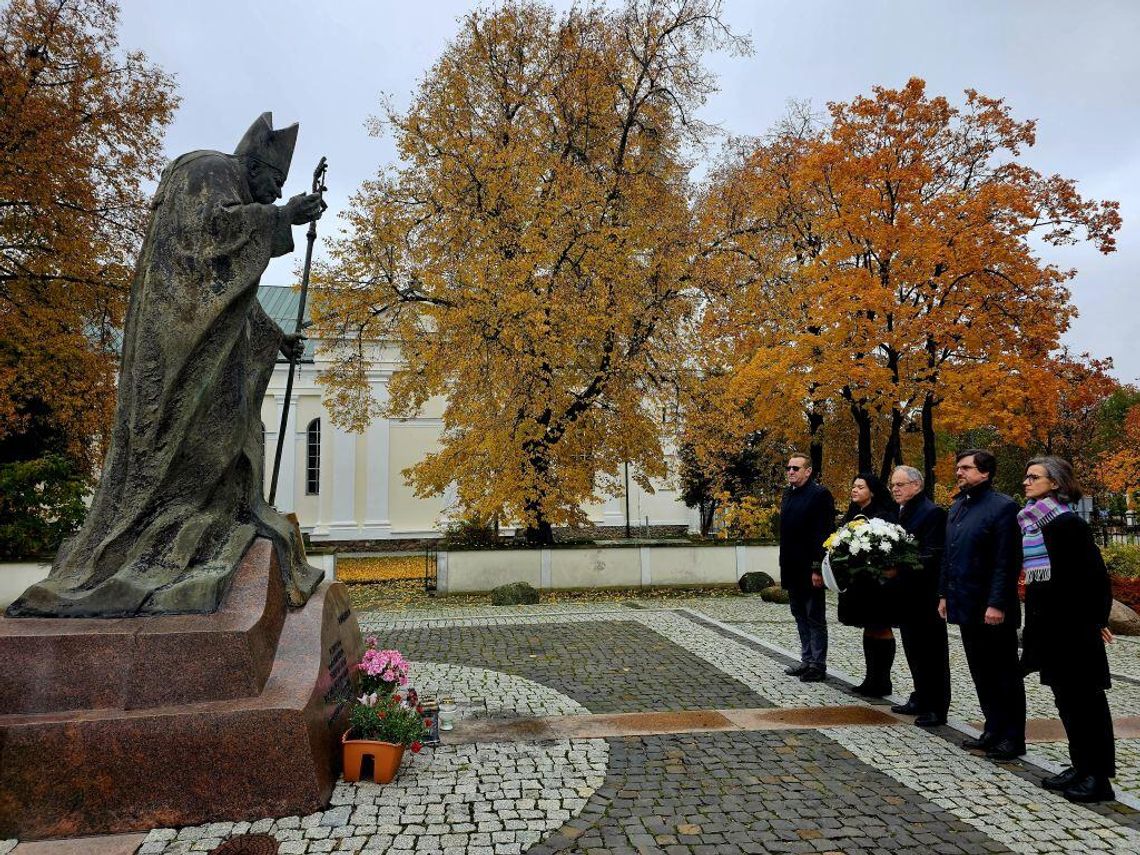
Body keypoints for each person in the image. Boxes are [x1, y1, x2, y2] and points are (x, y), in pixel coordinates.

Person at [7, 113, 327, 618]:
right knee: (187, 434)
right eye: (275, 181)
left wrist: (273, 336)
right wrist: (282, 216)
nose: (272, 192)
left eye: (279, 188)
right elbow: (209, 242)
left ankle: (206, 518)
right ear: (254, 163)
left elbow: (224, 291)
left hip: (200, 343)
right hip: (176, 344)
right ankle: (159, 535)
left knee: (227, 432)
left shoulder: (232, 186)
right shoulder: (206, 171)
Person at [1019, 456, 1116, 803]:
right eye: (1026, 477)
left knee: (1087, 703)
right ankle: (1081, 766)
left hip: (1075, 629)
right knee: (1066, 701)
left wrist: (1096, 621)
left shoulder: (1068, 524)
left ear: (1055, 483)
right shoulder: (1032, 525)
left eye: (1035, 477)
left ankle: (1099, 777)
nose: (1027, 482)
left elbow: (1094, 577)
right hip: (1050, 628)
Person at [938, 449, 1026, 760]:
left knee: (1003, 674)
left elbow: (1007, 560)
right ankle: (992, 730)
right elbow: (949, 555)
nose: (959, 472)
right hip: (965, 602)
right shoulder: (959, 505)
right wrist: (944, 594)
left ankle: (1012, 737)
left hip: (992, 608)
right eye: (957, 467)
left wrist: (998, 603)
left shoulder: (1003, 507)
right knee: (981, 672)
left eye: (965, 468)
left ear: (985, 473)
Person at [888, 466, 950, 727]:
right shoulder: (900, 512)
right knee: (913, 649)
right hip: (906, 593)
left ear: (917, 485)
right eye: (893, 485)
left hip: (925, 594)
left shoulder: (932, 512)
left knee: (932, 652)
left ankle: (937, 705)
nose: (895, 489)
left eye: (900, 484)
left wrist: (898, 563)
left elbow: (933, 553)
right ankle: (920, 695)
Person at [835, 473, 899, 697]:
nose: (854, 490)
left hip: (877, 583)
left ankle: (883, 680)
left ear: (872, 491)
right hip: (858, 581)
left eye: (860, 487)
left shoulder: (883, 516)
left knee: (880, 626)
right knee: (868, 627)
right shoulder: (853, 514)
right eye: (853, 486)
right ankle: (870, 678)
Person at [779, 452, 836, 683]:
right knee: (799, 615)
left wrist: (816, 567)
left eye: (796, 468)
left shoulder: (820, 495)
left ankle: (817, 664)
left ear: (808, 471)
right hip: (791, 566)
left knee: (815, 617)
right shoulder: (788, 494)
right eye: (789, 468)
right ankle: (806, 659)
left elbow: (823, 533)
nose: (791, 471)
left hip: (809, 568)